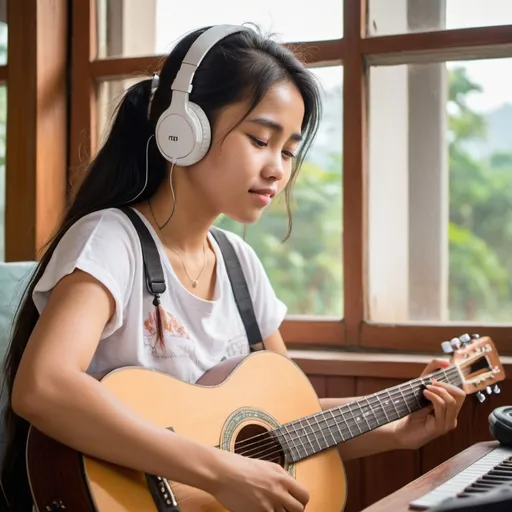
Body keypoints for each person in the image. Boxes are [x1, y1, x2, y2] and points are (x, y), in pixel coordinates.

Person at [0, 24, 466, 512]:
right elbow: (43, 387)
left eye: (288, 150)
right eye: (260, 139)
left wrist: (394, 429)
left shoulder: (241, 264)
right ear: (183, 130)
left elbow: (285, 426)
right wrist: (220, 471)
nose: (277, 169)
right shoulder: (111, 240)